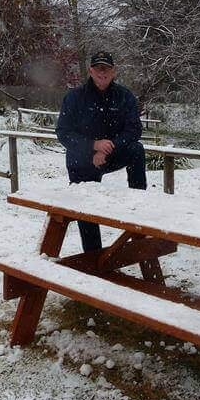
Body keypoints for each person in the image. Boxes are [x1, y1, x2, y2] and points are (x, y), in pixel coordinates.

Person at [56, 51, 147, 251]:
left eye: (107, 69)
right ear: (91, 70)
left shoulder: (125, 96)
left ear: (114, 71)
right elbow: (63, 133)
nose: (103, 73)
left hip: (112, 152)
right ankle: (93, 256)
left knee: (137, 150)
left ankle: (139, 213)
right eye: (98, 68)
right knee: (86, 206)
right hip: (81, 159)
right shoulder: (74, 97)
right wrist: (92, 146)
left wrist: (108, 147)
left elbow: (134, 129)